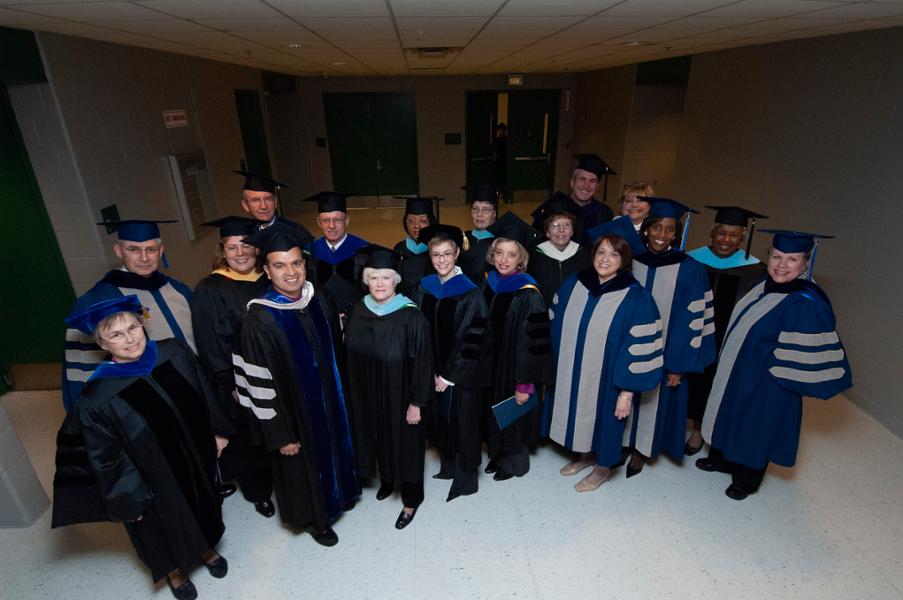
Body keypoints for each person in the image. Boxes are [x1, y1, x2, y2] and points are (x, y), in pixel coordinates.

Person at [52, 295, 229, 600]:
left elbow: (204, 391)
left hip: (194, 457)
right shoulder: (96, 398)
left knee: (203, 499)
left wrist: (217, 431)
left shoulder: (173, 352)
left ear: (142, 324)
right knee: (159, 525)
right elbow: (105, 458)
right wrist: (128, 497)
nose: (130, 339)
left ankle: (206, 549)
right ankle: (175, 573)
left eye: (133, 328)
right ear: (103, 344)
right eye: (116, 335)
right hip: (150, 479)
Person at [697, 230, 852, 500]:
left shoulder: (806, 302)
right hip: (738, 369)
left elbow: (804, 352)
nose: (782, 265)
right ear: (768, 257)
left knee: (757, 424)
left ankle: (746, 479)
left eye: (792, 260)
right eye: (777, 256)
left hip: (769, 379)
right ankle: (722, 458)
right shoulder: (764, 284)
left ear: (805, 264)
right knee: (730, 409)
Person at [232, 223, 360, 545]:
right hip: (295, 420)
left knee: (335, 445)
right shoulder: (258, 320)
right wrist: (280, 435)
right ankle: (316, 521)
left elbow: (338, 354)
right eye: (279, 265)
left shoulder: (320, 299)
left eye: (296, 263)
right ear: (266, 270)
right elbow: (256, 387)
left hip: (332, 402)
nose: (290, 272)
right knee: (303, 468)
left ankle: (342, 493)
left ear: (305, 264)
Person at [543, 235, 664, 492]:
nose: (605, 259)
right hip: (573, 370)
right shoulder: (575, 283)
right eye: (601, 253)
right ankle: (584, 457)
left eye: (613, 254)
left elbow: (640, 348)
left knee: (607, 423)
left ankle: (602, 470)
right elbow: (554, 322)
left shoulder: (637, 297)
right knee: (579, 416)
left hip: (609, 378)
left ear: (624, 260)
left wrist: (627, 392)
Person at [623, 198, 716, 476]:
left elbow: (693, 320)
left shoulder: (690, 268)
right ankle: (624, 441)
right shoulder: (632, 261)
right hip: (630, 347)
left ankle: (643, 449)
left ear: (676, 234)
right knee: (626, 393)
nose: (662, 235)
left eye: (669, 230)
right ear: (647, 229)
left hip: (667, 353)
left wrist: (677, 363)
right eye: (657, 228)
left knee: (656, 399)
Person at [62, 219, 195, 411]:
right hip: (150, 402)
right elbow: (83, 377)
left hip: (196, 388)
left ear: (161, 250)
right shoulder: (97, 302)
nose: (144, 258)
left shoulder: (179, 290)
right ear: (118, 250)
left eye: (151, 249)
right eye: (133, 249)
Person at [190, 216, 274, 518]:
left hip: (277, 374)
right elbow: (209, 343)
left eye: (246, 246)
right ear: (222, 251)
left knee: (279, 429)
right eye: (232, 247)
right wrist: (233, 384)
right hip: (240, 382)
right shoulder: (209, 289)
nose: (240, 253)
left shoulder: (270, 278)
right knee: (249, 436)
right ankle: (259, 492)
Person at [345, 245, 433, 529]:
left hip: (402, 396)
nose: (380, 283)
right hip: (368, 394)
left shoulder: (411, 315)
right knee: (378, 438)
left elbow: (423, 362)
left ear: (396, 280)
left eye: (386, 277)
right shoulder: (360, 310)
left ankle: (410, 499)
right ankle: (387, 480)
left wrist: (417, 403)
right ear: (366, 280)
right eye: (373, 277)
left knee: (406, 446)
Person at [410, 225, 490, 502]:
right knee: (442, 420)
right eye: (436, 254)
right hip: (432, 370)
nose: (441, 260)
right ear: (429, 257)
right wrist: (426, 369)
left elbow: (473, 339)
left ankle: (466, 479)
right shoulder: (424, 287)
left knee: (464, 423)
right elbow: (418, 329)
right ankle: (448, 465)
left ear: (457, 254)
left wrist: (448, 376)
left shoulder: (471, 292)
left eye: (447, 253)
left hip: (461, 376)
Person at [684, 205, 768, 454]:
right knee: (691, 379)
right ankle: (687, 426)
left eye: (734, 235)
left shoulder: (755, 269)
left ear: (743, 236)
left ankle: (707, 430)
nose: (726, 240)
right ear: (712, 233)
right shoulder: (692, 259)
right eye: (721, 233)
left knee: (716, 383)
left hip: (727, 337)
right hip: (693, 332)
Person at [481, 212, 550, 481]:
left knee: (513, 412)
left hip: (514, 368)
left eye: (511, 254)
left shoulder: (529, 292)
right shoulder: (489, 282)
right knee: (492, 410)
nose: (504, 259)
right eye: (499, 252)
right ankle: (498, 455)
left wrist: (525, 384)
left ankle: (514, 463)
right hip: (491, 366)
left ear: (521, 258)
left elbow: (535, 343)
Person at [305, 191, 369, 316]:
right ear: (318, 222)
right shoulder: (309, 252)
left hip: (357, 316)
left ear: (346, 220)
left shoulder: (363, 250)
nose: (331, 226)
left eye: (337, 220)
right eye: (326, 220)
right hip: (322, 315)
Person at [531, 154, 615, 245]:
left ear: (598, 186)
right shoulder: (552, 207)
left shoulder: (604, 213)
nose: (586, 185)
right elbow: (536, 241)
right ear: (572, 182)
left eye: (592, 181)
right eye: (582, 179)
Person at [527, 198, 591, 307]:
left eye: (567, 225)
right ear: (547, 232)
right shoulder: (534, 256)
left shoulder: (584, 255)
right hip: (543, 315)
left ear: (572, 231)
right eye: (555, 225)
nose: (561, 230)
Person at [392, 196, 438, 295]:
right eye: (411, 221)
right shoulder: (399, 249)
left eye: (423, 221)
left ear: (431, 222)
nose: (416, 225)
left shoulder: (437, 250)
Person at [459, 182, 497, 284]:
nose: (479, 214)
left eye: (486, 210)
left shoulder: (500, 242)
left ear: (494, 213)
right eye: (475, 209)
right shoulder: (463, 238)